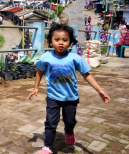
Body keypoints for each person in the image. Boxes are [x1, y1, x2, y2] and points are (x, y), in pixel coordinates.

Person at [28, 24, 110, 154]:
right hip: (53, 97)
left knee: (70, 121)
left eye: (65, 40)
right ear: (50, 41)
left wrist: (99, 90)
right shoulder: (46, 57)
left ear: (70, 42)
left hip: (71, 98)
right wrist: (35, 88)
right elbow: (39, 71)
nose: (61, 43)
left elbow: (87, 75)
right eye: (57, 39)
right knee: (50, 121)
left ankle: (69, 131)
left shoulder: (75, 58)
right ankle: (47, 146)